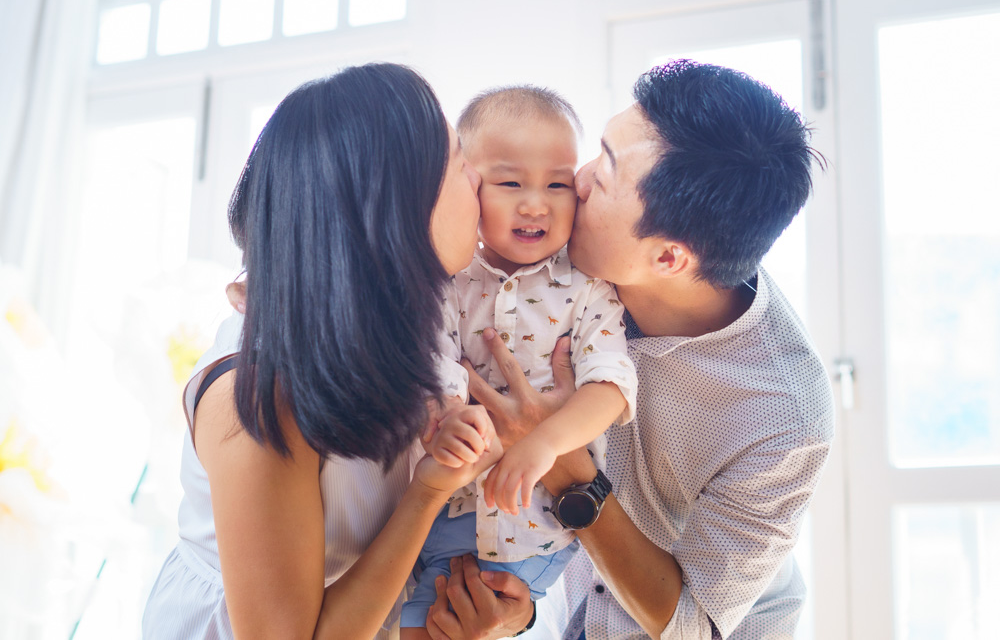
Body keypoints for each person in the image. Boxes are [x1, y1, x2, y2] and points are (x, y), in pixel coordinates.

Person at [423, 60, 835, 640]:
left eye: (606, 175)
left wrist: (565, 463)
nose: (578, 179)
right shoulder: (576, 257)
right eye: (599, 151)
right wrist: (525, 609)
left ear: (668, 258)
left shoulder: (784, 415)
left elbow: (692, 627)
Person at [141, 63, 537, 640]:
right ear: (395, 206)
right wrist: (430, 489)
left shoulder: (415, 335)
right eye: (456, 162)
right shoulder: (251, 394)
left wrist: (509, 612)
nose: (478, 179)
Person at [400, 86, 638, 639]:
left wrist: (545, 442)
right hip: (443, 516)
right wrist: (450, 410)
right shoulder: (449, 282)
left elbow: (611, 385)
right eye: (510, 183)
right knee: (417, 625)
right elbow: (430, 356)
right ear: (468, 186)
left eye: (558, 183)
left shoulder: (588, 288)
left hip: (534, 534)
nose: (537, 203)